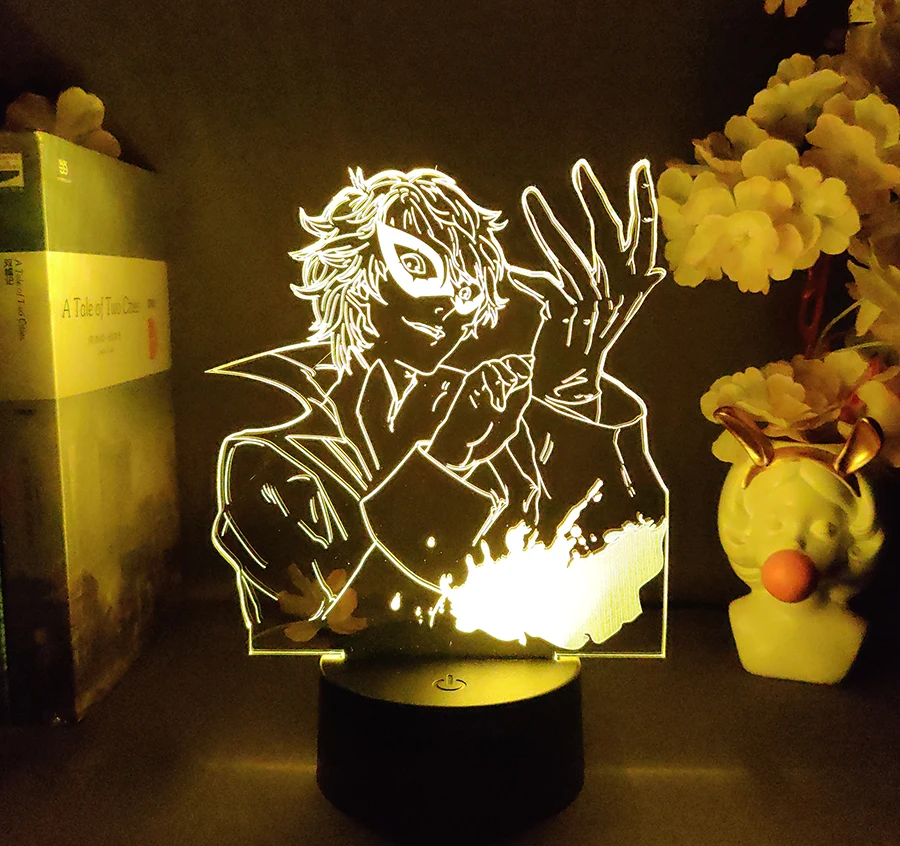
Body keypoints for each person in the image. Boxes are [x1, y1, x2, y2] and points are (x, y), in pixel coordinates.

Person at [211, 160, 668, 651]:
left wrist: (572, 386)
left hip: (511, 678)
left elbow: (612, 581)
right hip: (334, 687)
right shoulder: (270, 456)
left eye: (468, 284)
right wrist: (447, 458)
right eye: (417, 266)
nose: (450, 302)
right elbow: (340, 619)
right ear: (353, 270)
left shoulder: (493, 413)